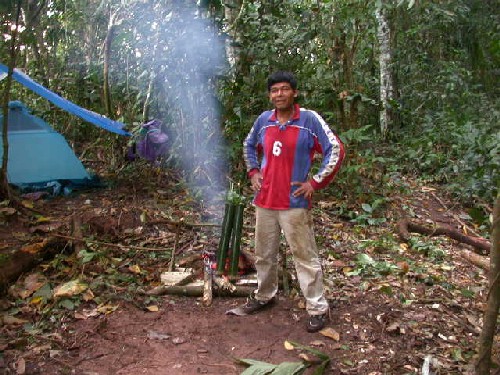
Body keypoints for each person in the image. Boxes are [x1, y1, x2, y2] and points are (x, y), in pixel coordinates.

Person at [240, 71, 345, 332]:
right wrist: (253, 171)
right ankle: (264, 295)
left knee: (305, 256)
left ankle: (318, 308)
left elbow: (336, 149)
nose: (279, 94)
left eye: (284, 89)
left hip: (294, 203)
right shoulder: (264, 120)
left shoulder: (309, 120)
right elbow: (248, 144)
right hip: (265, 201)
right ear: (270, 95)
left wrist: (315, 182)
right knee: (264, 255)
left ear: (294, 92)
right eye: (274, 90)